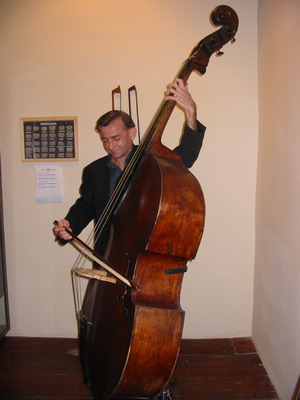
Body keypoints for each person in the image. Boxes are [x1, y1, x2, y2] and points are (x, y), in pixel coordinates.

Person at [53, 78, 206, 255]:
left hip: (146, 258)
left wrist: (191, 112)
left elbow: (187, 155)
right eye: (105, 140)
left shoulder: (153, 162)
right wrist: (69, 224)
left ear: (131, 133)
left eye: (116, 138)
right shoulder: (94, 171)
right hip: (108, 257)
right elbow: (86, 206)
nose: (110, 146)